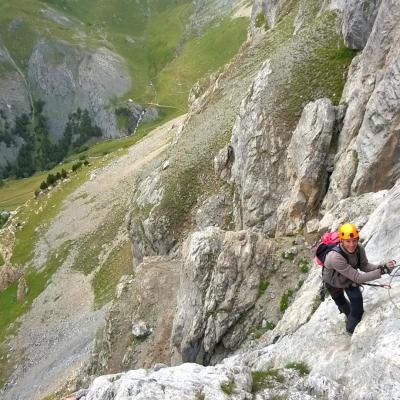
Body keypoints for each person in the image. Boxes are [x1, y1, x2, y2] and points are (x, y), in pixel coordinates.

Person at [322, 223, 396, 334]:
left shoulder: (359, 249)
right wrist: (382, 271)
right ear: (341, 241)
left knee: (357, 310)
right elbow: (358, 278)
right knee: (343, 304)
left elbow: (364, 266)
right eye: (348, 241)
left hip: (348, 280)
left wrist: (382, 266)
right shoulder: (335, 257)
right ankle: (350, 329)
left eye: (354, 240)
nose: (352, 244)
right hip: (333, 283)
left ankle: (351, 326)